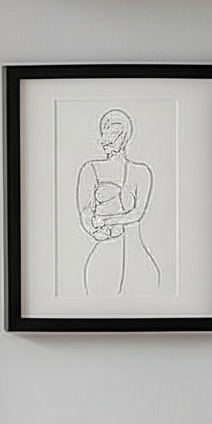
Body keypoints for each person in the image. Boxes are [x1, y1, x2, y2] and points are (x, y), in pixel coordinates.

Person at [76, 109, 159, 296]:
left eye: (115, 132)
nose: (109, 138)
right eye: (106, 131)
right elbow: (85, 212)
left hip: (137, 256)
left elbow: (138, 213)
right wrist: (95, 228)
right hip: (104, 253)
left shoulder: (141, 172)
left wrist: (107, 220)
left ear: (126, 135)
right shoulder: (91, 169)